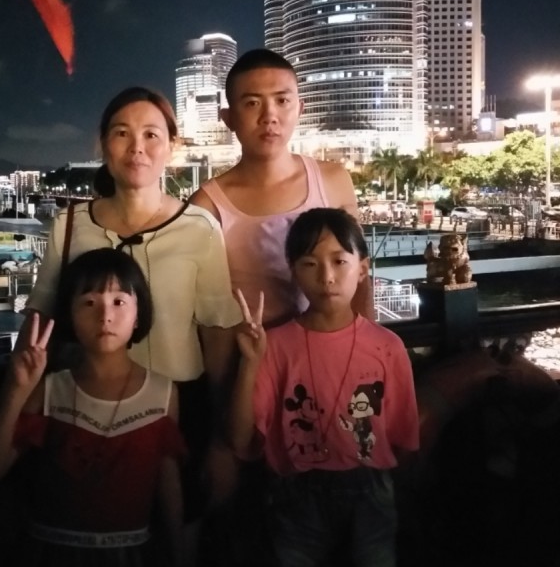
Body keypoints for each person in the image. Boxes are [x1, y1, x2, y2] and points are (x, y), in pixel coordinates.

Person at [22, 87, 242, 526]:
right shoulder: (70, 225)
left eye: (151, 135)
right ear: (103, 144)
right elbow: (40, 319)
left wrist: (222, 440)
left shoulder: (199, 227)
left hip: (181, 404)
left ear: (171, 146)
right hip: (85, 408)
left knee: (179, 530)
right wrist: (14, 405)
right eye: (122, 133)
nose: (137, 147)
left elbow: (217, 333)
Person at [229, 208, 418, 567]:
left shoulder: (387, 347)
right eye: (310, 264)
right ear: (292, 270)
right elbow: (240, 440)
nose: (326, 276)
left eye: (339, 261)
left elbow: (404, 439)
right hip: (296, 495)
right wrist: (250, 363)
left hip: (370, 492)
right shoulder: (275, 346)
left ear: (362, 268)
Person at [0, 248, 185, 566]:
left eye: (119, 302)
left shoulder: (163, 393)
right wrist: (17, 390)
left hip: (131, 554)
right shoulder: (49, 390)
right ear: (69, 316)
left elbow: (169, 485)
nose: (105, 316)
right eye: (89, 303)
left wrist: (181, 554)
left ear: (138, 314)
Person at [190, 48, 373, 328]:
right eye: (252, 103)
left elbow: (359, 275)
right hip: (255, 352)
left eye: (282, 100)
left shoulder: (333, 180)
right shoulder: (207, 206)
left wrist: (370, 342)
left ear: (300, 108)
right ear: (228, 118)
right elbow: (210, 309)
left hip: (335, 348)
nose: (269, 116)